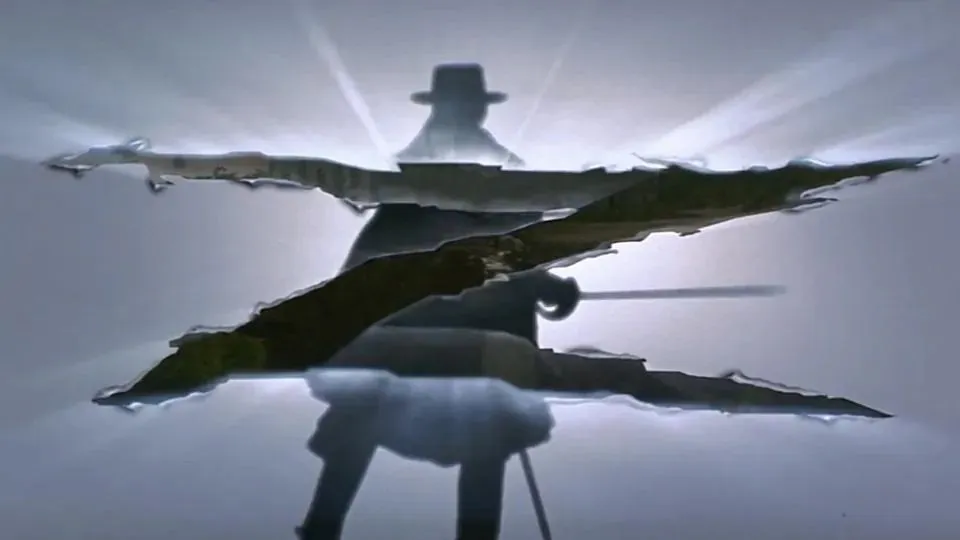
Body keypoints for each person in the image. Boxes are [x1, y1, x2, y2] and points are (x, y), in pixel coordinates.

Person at [340, 63, 543, 271]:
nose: (476, 110)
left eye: (473, 103)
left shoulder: (476, 146)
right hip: (405, 260)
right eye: (467, 103)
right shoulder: (437, 150)